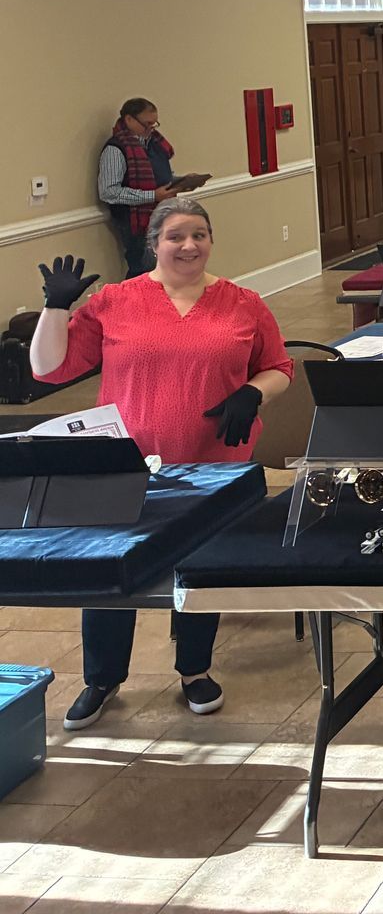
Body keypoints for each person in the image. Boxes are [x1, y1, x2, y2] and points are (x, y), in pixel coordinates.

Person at [30, 198, 292, 730]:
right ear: (155, 244)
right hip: (126, 467)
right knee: (106, 570)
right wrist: (56, 308)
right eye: (176, 236)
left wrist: (252, 394)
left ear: (211, 240)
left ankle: (195, 669)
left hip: (214, 463)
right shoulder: (115, 301)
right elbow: (48, 369)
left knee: (201, 569)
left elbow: (279, 367)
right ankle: (101, 678)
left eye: (199, 234)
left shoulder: (243, 303)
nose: (189, 246)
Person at [99, 99, 197, 277]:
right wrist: (152, 196)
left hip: (162, 214)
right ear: (129, 119)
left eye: (154, 123)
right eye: (147, 124)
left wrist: (181, 182)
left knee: (167, 269)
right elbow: (108, 192)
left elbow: (159, 178)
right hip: (135, 221)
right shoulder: (116, 148)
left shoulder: (155, 144)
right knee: (144, 271)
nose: (151, 128)